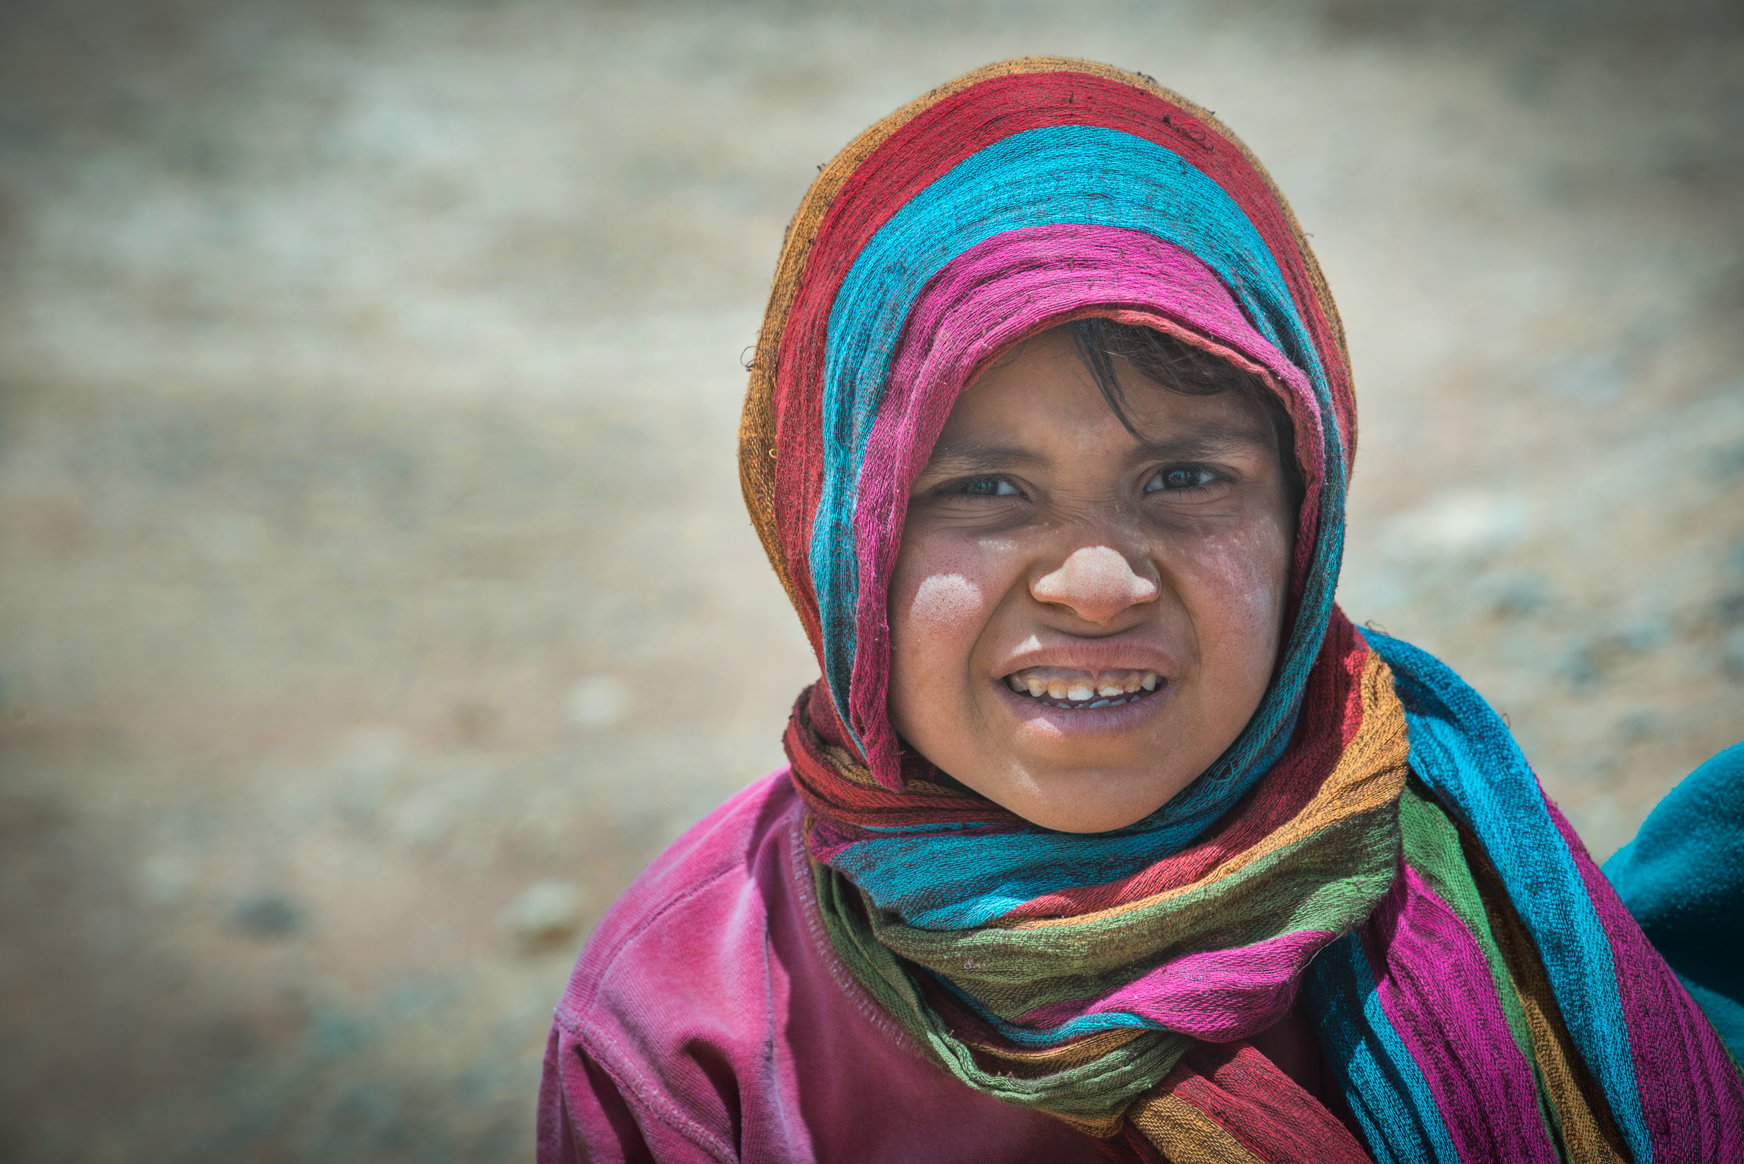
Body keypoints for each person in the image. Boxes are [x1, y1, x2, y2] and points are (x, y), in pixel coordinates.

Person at [538, 58, 1744, 1162]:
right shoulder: (689, 1025)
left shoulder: (1464, 874)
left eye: (1184, 479)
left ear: (1305, 522)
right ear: (839, 541)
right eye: (984, 491)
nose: (1098, 586)